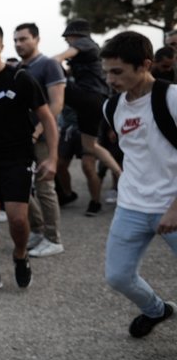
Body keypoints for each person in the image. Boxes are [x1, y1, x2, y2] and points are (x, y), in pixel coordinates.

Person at [0, 24, 59, 296]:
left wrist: (52, 157)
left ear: (1, 47)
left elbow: (47, 119)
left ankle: (20, 255)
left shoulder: (20, 78)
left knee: (17, 219)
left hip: (17, 158)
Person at [99, 31, 177, 337]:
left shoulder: (172, 98)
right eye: (106, 72)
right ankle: (157, 309)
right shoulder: (112, 107)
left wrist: (174, 208)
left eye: (117, 72)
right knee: (118, 276)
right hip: (131, 205)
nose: (110, 79)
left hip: (172, 206)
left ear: (145, 65)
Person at [53, 18, 121, 216]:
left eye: (68, 38)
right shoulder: (89, 49)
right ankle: (121, 175)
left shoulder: (84, 43)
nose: (67, 42)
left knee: (54, 82)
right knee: (91, 147)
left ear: (75, 35)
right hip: (92, 104)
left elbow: (61, 57)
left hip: (90, 97)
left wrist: (46, 64)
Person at [14, 23, 67, 257]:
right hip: (20, 138)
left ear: (36, 39)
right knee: (21, 186)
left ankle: (54, 239)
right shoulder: (17, 68)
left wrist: (36, 130)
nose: (19, 44)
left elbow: (57, 104)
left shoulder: (49, 65)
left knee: (45, 187)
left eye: (23, 39)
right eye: (15, 40)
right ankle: (37, 229)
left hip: (43, 136)